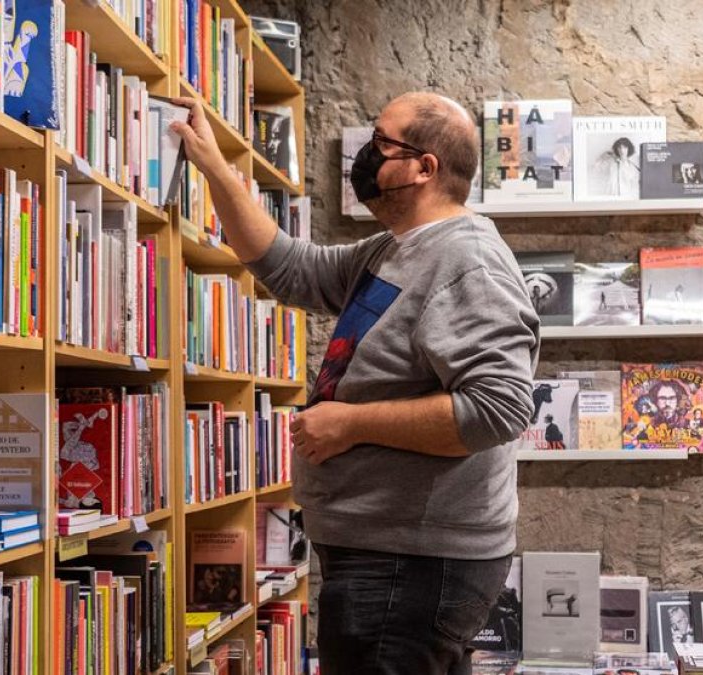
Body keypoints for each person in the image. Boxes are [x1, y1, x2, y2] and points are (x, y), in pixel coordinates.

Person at [172, 91, 540, 675]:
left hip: (413, 563)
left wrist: (349, 422)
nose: (365, 156)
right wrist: (216, 167)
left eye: (381, 143)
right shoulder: (392, 250)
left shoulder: (467, 261)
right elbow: (289, 267)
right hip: (385, 554)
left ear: (425, 167)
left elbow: (496, 411)